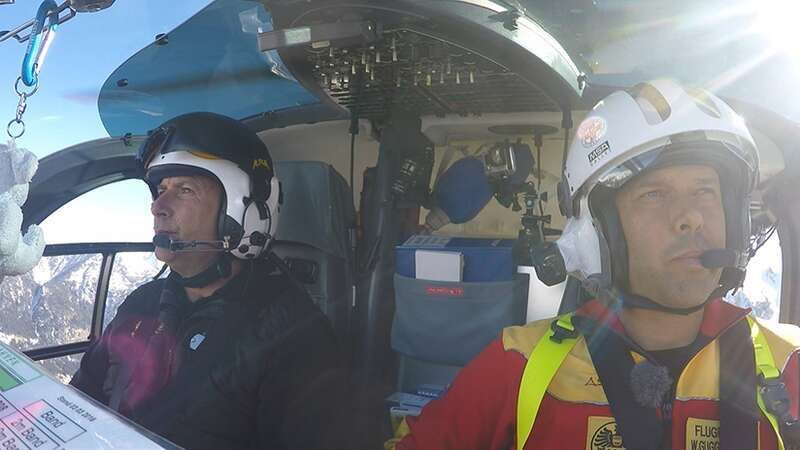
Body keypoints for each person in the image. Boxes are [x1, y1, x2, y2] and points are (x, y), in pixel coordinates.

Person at [386, 80, 800, 450]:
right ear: (596, 233)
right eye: (654, 194)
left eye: (706, 191)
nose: (689, 216)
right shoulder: (519, 363)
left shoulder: (789, 364)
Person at [70, 112, 344, 449]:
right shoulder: (142, 301)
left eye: (184, 190)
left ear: (247, 213)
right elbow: (78, 402)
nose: (158, 206)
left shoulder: (295, 337)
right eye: (160, 189)